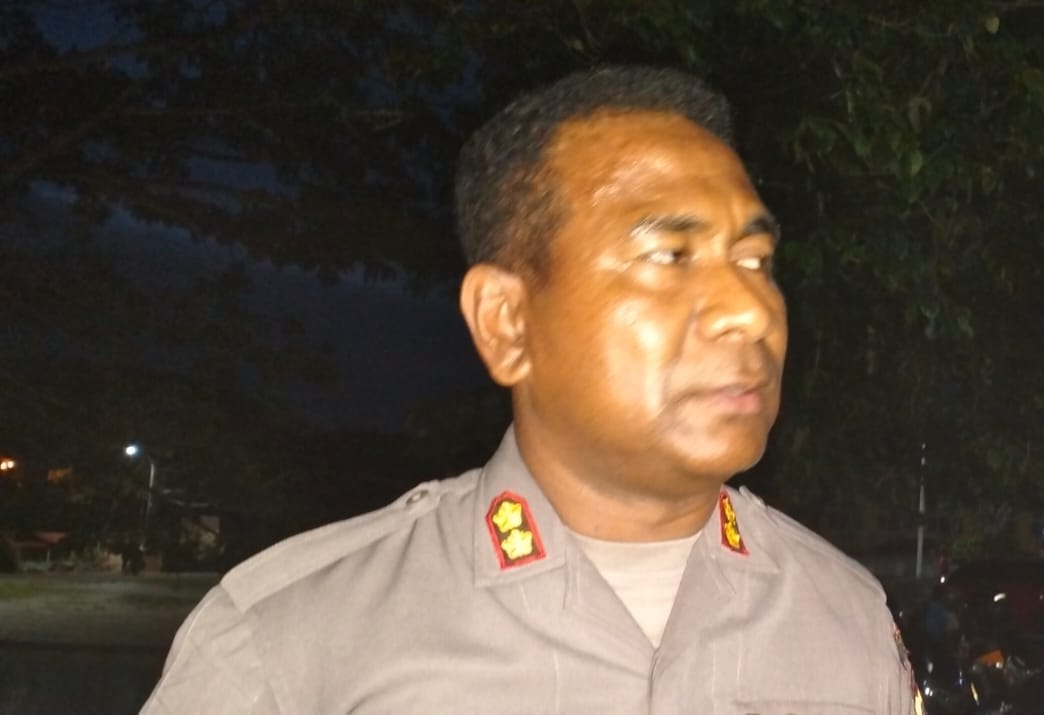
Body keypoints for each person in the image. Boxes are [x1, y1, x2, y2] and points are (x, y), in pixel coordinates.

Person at [142, 66, 920, 713]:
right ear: (506, 321)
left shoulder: (844, 617)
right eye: (670, 256)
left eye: (754, 261)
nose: (749, 310)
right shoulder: (292, 641)